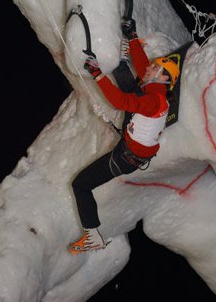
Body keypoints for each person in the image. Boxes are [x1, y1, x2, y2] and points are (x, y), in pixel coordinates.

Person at [68, 20, 180, 254]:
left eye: (155, 69)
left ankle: (93, 236)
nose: (149, 68)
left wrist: (98, 74)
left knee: (81, 185)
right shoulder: (156, 91)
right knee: (133, 85)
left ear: (163, 78)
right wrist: (132, 35)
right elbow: (142, 70)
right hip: (132, 147)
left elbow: (119, 101)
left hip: (124, 159)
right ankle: (119, 61)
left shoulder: (152, 100)